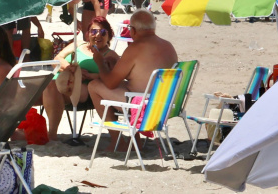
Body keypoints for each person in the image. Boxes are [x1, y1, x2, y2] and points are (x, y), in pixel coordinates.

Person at [88, 10, 177, 145]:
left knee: (94, 85)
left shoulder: (135, 48)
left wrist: (100, 63)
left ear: (133, 30)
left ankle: (117, 141)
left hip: (144, 104)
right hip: (165, 103)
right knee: (123, 85)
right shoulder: (168, 46)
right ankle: (136, 140)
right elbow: (139, 74)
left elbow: (110, 83)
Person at [42, 16, 118, 140]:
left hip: (84, 89)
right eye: (94, 31)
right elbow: (57, 59)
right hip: (60, 81)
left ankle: (51, 134)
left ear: (109, 36)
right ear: (88, 34)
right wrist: (70, 68)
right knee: (38, 90)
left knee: (51, 86)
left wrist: (92, 75)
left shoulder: (110, 55)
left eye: (103, 32)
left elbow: (115, 77)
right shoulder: (78, 44)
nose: (98, 35)